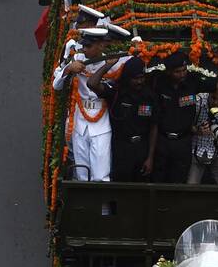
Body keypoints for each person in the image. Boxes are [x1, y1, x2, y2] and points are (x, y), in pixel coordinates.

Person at [51, 27, 128, 182]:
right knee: (81, 173)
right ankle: (82, 206)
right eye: (83, 45)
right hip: (79, 122)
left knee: (101, 175)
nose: (84, 49)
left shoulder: (112, 62)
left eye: (88, 46)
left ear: (100, 46)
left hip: (101, 123)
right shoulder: (76, 59)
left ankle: (103, 207)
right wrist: (68, 69)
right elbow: (56, 85)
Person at [88, 55, 156, 181]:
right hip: (121, 148)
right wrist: (107, 65)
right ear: (127, 78)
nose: (139, 82)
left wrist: (150, 157)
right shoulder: (116, 92)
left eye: (142, 78)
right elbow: (92, 84)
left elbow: (154, 126)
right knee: (120, 188)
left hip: (142, 148)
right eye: (135, 79)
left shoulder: (149, 95)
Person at [152, 51, 198, 183]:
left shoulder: (192, 83)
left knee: (179, 180)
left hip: (183, 140)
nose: (183, 74)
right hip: (162, 140)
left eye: (184, 70)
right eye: (178, 71)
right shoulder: (158, 85)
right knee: (159, 179)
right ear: (168, 72)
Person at [187, 71, 218, 186]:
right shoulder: (198, 102)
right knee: (190, 188)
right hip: (196, 150)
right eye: (213, 98)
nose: (216, 102)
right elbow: (184, 125)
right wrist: (198, 131)